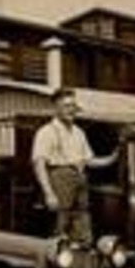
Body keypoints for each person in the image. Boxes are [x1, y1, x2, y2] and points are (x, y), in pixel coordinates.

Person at [31, 87, 117, 243]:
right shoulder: (46, 132)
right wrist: (49, 193)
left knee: (82, 228)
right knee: (59, 228)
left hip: (80, 181)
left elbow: (88, 160)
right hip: (59, 180)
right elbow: (39, 164)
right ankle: (59, 264)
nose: (71, 110)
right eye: (66, 106)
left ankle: (82, 263)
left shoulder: (79, 132)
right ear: (56, 108)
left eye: (73, 106)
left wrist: (112, 157)